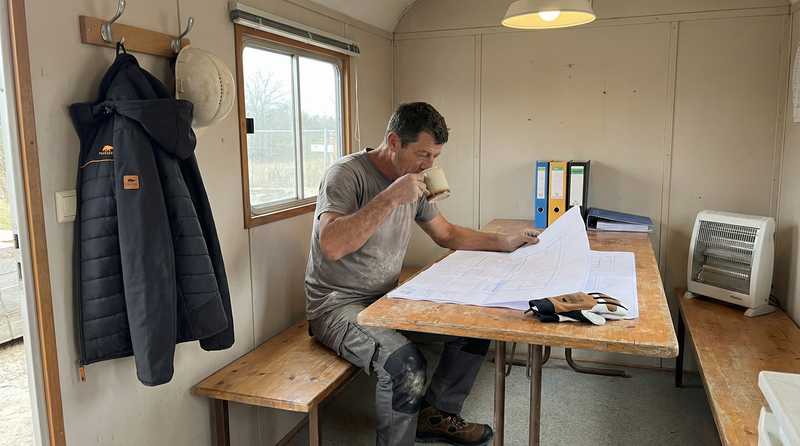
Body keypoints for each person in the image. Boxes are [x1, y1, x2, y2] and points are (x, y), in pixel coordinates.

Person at [305, 102, 539, 446]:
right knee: (405, 365)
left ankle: (435, 415)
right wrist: (389, 198)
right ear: (394, 141)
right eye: (423, 154)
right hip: (335, 306)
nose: (430, 165)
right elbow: (332, 246)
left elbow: (445, 234)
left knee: (473, 329)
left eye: (435, 156)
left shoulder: (414, 180)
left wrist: (503, 242)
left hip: (387, 297)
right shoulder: (346, 174)